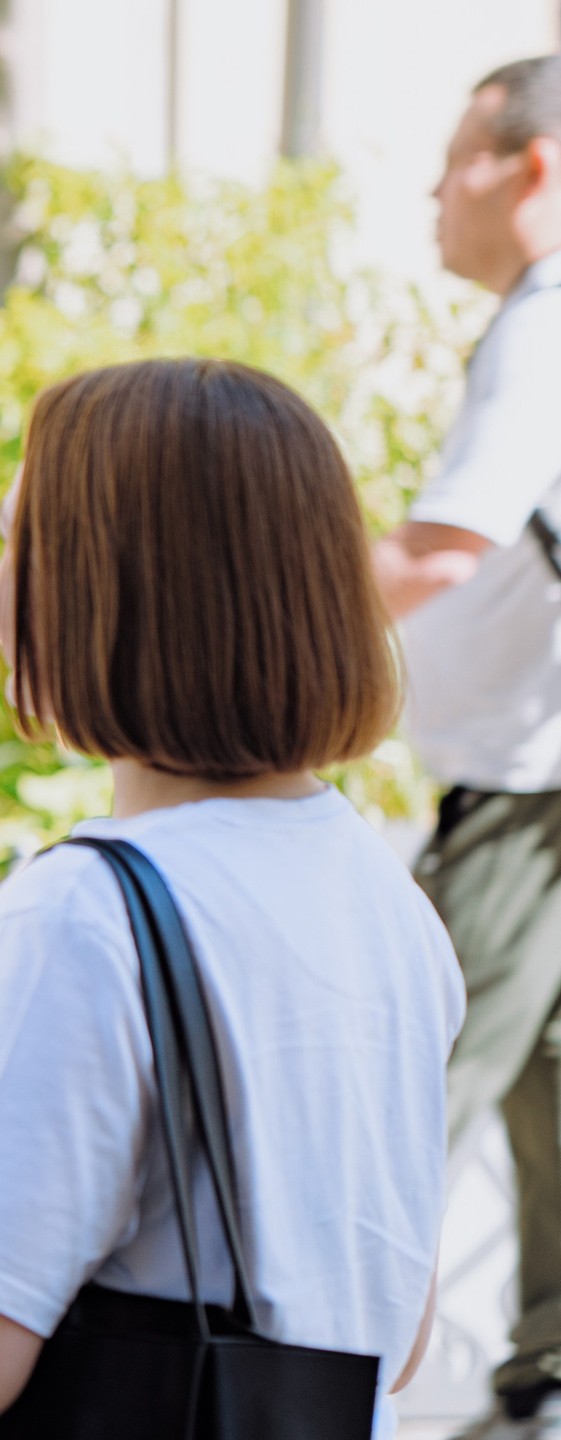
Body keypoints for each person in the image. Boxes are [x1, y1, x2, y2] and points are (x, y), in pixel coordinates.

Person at [0, 359, 460, 1440]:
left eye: (19, 542)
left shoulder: (85, 914)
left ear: (112, 584)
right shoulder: (387, 905)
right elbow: (395, 1328)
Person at [371, 53, 561, 1439]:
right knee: (545, 1081)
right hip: (530, 770)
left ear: (532, 167)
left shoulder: (544, 326)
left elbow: (444, 548)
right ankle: (544, 1375)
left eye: (455, 164)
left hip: (524, 782)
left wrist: (253, 607)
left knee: (407, 1081)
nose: (435, 194)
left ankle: (300, 1373)